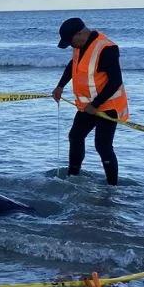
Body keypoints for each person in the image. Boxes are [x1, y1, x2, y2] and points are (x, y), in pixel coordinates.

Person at [51, 17, 129, 185]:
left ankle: (112, 187)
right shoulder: (80, 45)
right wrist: (60, 86)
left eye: (71, 42)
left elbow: (115, 81)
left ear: (80, 33)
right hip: (87, 106)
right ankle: (73, 177)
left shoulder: (106, 48)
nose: (71, 46)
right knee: (75, 136)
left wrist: (95, 105)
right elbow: (73, 65)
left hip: (107, 105)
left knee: (102, 145)